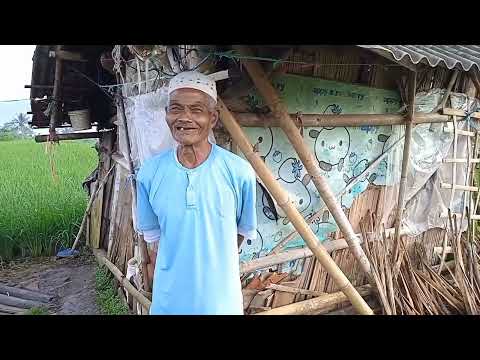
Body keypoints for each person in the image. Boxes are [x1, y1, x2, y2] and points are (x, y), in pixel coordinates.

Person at [136, 71, 257, 315]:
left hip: (221, 304)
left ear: (213, 118)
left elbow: (241, 232)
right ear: (167, 114)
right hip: (169, 303)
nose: (185, 118)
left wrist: (215, 260)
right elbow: (154, 242)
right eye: (176, 109)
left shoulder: (239, 172)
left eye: (196, 110)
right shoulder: (149, 173)